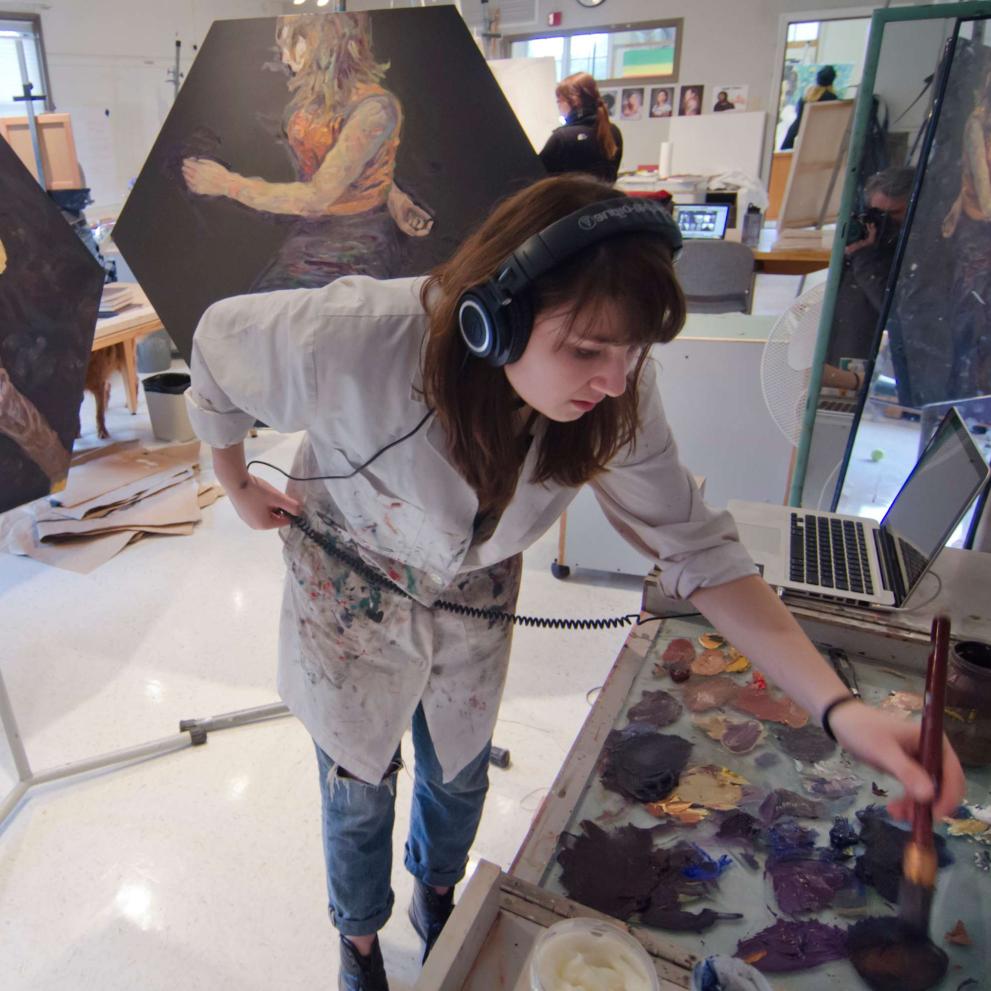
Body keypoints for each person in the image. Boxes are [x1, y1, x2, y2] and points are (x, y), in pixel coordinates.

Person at [185, 175, 965, 991]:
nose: (615, 380)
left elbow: (697, 549)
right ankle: (359, 944)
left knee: (459, 766)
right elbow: (215, 345)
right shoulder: (352, 336)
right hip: (350, 568)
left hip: (473, 580)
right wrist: (236, 482)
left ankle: (439, 897)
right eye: (588, 350)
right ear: (497, 317)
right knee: (358, 780)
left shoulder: (613, 390)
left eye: (633, 353)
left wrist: (840, 710)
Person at [181, 12, 433, 292]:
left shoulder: (375, 109)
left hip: (359, 239)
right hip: (313, 232)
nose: (285, 57)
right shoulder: (306, 104)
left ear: (321, 42)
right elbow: (352, 168)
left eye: (291, 42)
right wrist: (394, 195)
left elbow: (317, 197)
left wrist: (226, 184)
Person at [826, 166, 913, 368]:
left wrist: (864, 257)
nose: (883, 223)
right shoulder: (865, 246)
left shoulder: (917, 251)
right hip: (845, 357)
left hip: (883, 365)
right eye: (876, 214)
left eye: (893, 214)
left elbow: (892, 309)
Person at [539, 72, 623, 183]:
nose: (558, 106)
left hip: (569, 199)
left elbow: (538, 176)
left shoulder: (563, 137)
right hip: (605, 199)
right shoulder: (613, 131)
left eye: (559, 101)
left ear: (574, 101)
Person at [781, 64, 838, 150]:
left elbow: (798, 121)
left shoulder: (807, 96)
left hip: (798, 137)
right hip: (820, 142)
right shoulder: (831, 98)